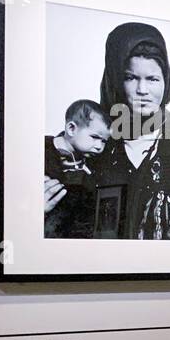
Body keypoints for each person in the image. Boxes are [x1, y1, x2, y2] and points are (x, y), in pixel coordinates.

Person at [90, 22, 170, 240]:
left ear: (165, 81)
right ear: (116, 79)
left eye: (152, 79)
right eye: (131, 78)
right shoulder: (98, 140)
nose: (142, 90)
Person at [44, 99, 109, 238]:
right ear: (71, 129)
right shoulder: (42, 151)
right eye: (95, 137)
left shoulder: (92, 162)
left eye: (104, 141)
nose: (99, 146)